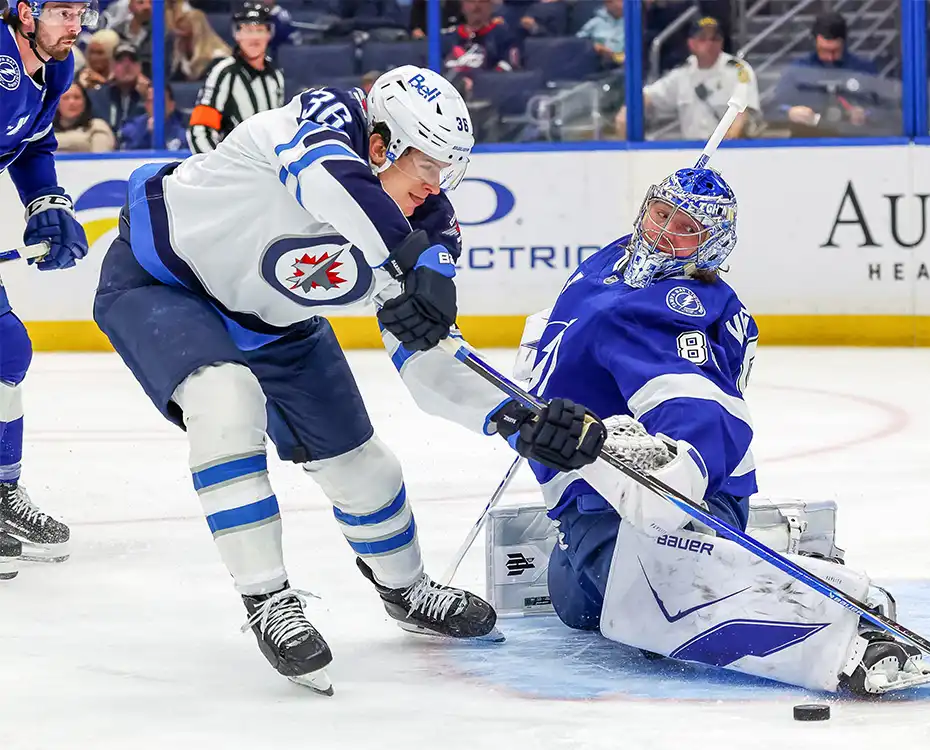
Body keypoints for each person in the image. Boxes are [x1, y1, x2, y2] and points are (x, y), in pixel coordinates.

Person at [91, 65, 606, 695]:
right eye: (427, 163)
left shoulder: (422, 227)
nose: (435, 185)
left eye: (447, 169)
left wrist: (518, 418)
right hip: (163, 285)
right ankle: (268, 600)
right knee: (225, 400)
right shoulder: (308, 124)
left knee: (366, 468)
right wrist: (409, 255)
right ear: (382, 142)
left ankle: (407, 590)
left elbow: (429, 361)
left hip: (278, 326)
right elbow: (331, 182)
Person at [510, 167, 930, 696]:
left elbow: (699, 409)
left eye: (685, 227)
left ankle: (850, 625)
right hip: (593, 502)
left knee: (647, 616)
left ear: (711, 246)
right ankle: (760, 546)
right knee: (576, 605)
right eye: (659, 212)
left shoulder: (671, 310)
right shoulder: (618, 261)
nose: (662, 232)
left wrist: (673, 465)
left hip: (684, 497)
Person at [0, 0, 94, 577]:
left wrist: (46, 202)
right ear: (24, 12)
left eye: (81, 11)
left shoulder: (54, 67)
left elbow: (32, 146)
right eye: (62, 11)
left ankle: (1, 496)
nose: (75, 25)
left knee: (8, 350)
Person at [615, 17, 760, 140]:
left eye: (715, 39)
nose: (710, 44)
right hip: (692, 151)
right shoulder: (683, 73)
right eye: (703, 38)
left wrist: (723, 147)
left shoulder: (737, 70)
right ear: (691, 43)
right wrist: (628, 109)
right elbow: (651, 95)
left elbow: (741, 116)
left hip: (729, 150)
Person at [186, 2, 284, 154]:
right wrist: (213, 167)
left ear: (269, 34)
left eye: (259, 30)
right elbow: (200, 128)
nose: (254, 37)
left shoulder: (275, 74)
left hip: (268, 166)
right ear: (237, 34)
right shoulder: (225, 72)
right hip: (234, 164)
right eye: (248, 30)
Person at [88, 41, 147, 132]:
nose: (126, 65)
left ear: (140, 66)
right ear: (112, 66)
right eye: (120, 61)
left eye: (132, 60)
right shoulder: (97, 97)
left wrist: (145, 98)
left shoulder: (151, 96)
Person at [117, 83, 186, 150]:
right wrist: (148, 135)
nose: (156, 105)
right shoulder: (132, 128)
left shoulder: (182, 133)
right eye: (151, 101)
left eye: (160, 101)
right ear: (146, 105)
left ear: (172, 106)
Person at [53, 79, 115, 151]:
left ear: (85, 102)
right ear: (56, 104)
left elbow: (101, 159)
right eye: (66, 98)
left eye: (77, 97)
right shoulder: (44, 129)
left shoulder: (97, 126)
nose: (72, 102)